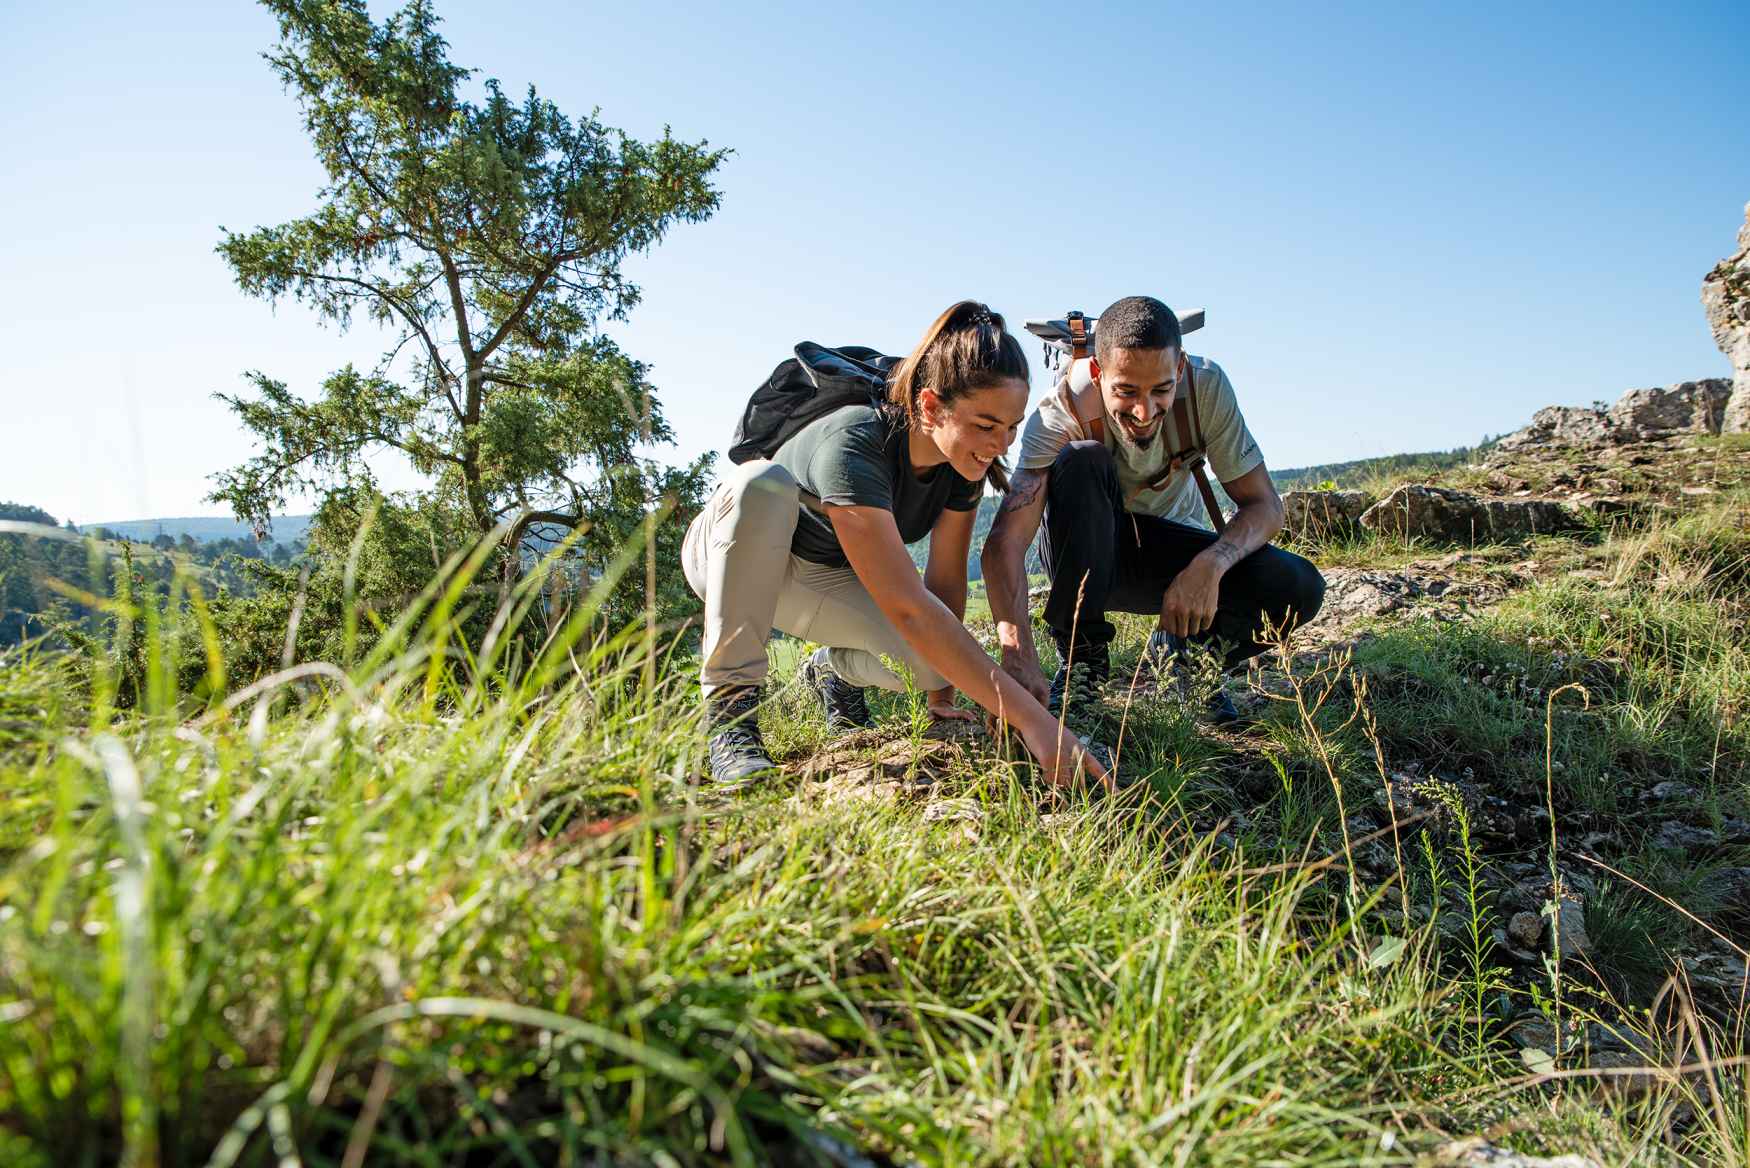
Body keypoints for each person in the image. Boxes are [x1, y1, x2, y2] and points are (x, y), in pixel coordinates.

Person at [683, 300, 1108, 788]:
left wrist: (941, 693)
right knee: (761, 485)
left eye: (1011, 427)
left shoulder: (962, 465)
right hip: (729, 554)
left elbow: (944, 583)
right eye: (986, 425)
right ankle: (730, 719)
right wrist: (1037, 724)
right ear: (930, 407)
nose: (1001, 444)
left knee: (933, 664)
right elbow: (909, 609)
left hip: (816, 579)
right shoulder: (854, 440)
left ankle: (833, 675)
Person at [981, 295, 1325, 722]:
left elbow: (1265, 505)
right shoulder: (1061, 413)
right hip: (1084, 555)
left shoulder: (1207, 389)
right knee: (1082, 458)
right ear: (1097, 372)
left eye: (1161, 390)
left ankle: (1189, 663)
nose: (1144, 412)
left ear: (1179, 369)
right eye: (1126, 391)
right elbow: (1005, 543)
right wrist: (1019, 656)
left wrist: (1210, 565)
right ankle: (1082, 665)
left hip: (1172, 557)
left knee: (1298, 586)